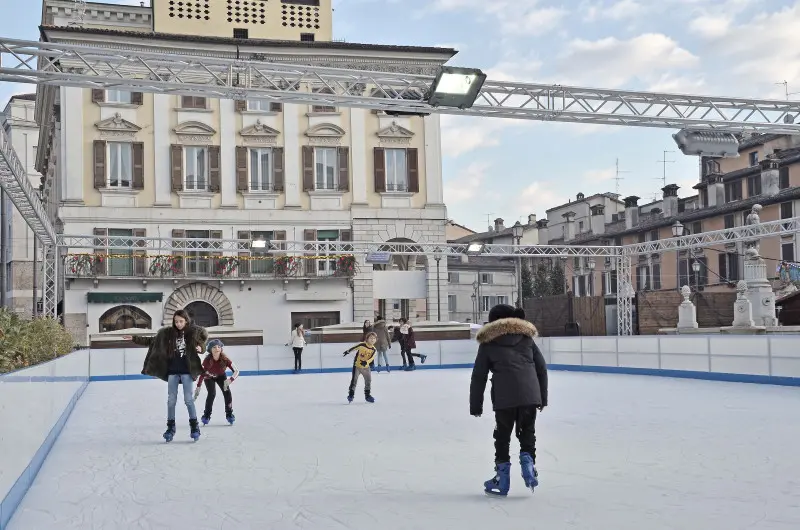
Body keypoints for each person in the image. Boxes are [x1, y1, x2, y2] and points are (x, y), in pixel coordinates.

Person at [469, 304, 548, 496]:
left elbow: (478, 376)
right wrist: (542, 398)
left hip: (504, 398)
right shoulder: (527, 339)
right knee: (528, 432)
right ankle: (528, 461)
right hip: (530, 395)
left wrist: (476, 406)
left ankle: (502, 479)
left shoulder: (488, 343)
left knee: (502, 437)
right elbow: (541, 368)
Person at [123, 309, 208, 442]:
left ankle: (194, 427)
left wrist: (200, 348)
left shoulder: (192, 333)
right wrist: (134, 338)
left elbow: (202, 345)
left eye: (181, 321)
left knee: (188, 400)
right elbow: (152, 341)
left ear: (186, 321)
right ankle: (170, 428)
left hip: (187, 371)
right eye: (176, 321)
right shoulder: (167, 334)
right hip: (172, 372)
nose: (178, 324)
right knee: (171, 401)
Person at [194, 339, 240, 425]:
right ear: (210, 349)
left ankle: (229, 414)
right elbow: (202, 374)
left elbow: (236, 371)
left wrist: (230, 380)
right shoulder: (207, 360)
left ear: (221, 349)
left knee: (227, 393)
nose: (217, 349)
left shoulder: (225, 359)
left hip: (221, 376)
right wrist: (198, 386)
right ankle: (206, 415)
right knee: (212, 394)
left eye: (219, 347)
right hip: (209, 377)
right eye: (214, 347)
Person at [342, 332, 377, 403]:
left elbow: (371, 358)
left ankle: (367, 396)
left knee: (368, 381)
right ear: (367, 339)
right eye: (371, 338)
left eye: (374, 338)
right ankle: (351, 395)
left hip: (366, 368)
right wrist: (348, 351)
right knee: (354, 381)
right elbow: (354, 348)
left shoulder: (374, 350)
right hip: (357, 366)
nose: (372, 340)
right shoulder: (362, 345)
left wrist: (366, 362)